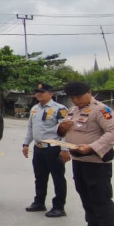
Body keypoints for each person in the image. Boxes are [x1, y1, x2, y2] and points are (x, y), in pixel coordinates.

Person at [57, 81, 114, 226]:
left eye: (78, 97)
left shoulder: (101, 110)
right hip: (79, 161)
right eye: (72, 98)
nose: (75, 100)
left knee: (101, 199)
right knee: (85, 195)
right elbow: (64, 132)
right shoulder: (73, 110)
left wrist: (92, 147)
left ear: (89, 92)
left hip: (97, 163)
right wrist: (61, 129)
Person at [22, 83, 69, 218]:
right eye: (37, 91)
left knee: (58, 178)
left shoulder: (60, 109)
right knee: (40, 177)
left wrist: (65, 149)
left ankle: (59, 207)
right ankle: (39, 202)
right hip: (39, 149)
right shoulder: (35, 109)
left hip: (54, 149)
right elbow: (31, 128)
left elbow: (65, 131)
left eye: (42, 91)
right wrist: (26, 144)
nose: (39, 94)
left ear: (50, 94)